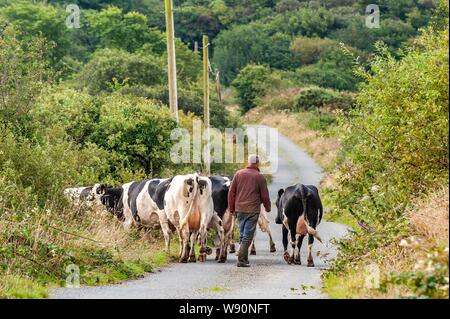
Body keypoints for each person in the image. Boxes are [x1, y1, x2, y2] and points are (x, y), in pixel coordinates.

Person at [228, 154, 271, 267]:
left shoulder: (238, 174)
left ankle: (244, 259)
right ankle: (241, 260)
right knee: (247, 236)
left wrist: (231, 208)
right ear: (257, 163)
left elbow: (231, 193)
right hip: (252, 210)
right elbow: (265, 196)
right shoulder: (259, 177)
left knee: (243, 235)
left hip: (239, 210)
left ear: (248, 163)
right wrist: (267, 207)